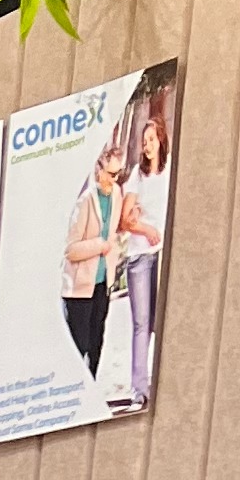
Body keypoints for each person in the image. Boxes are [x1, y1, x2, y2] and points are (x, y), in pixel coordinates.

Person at [117, 80, 172, 412]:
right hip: (140, 257)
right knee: (140, 322)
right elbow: (126, 219)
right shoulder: (138, 174)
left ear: (160, 141)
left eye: (151, 140)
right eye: (144, 140)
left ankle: (152, 380)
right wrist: (145, 226)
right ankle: (139, 389)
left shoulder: (168, 173)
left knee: (156, 321)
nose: (147, 145)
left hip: (163, 254)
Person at [61, 136, 126, 382]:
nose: (114, 180)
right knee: (80, 344)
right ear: (99, 169)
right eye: (111, 174)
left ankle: (91, 386)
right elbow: (71, 249)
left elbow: (113, 232)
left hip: (103, 282)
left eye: (118, 174)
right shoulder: (85, 201)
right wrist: (100, 246)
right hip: (79, 287)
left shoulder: (117, 194)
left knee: (98, 339)